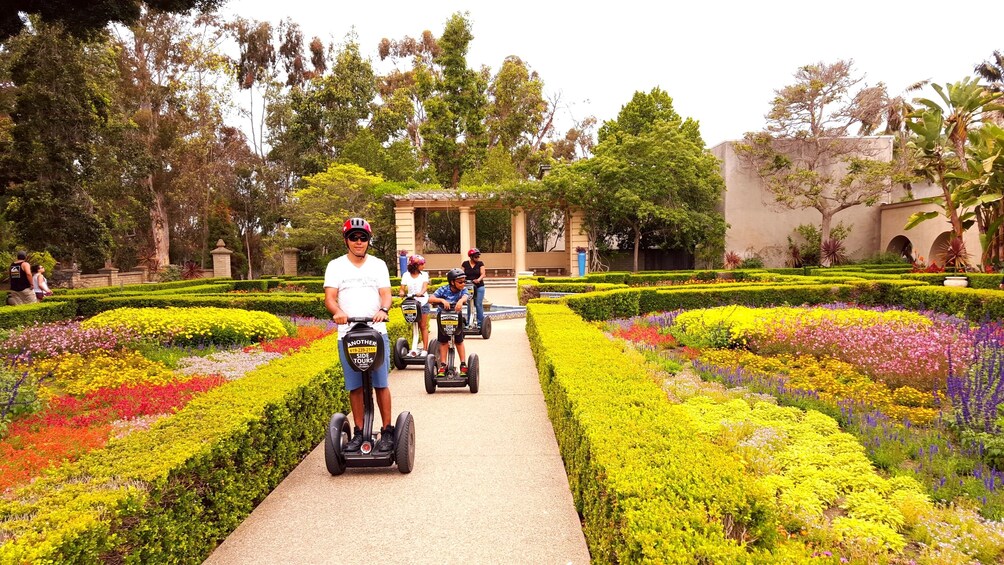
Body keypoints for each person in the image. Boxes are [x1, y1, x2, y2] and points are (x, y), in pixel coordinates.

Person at [323, 218, 396, 453]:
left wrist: (383, 310)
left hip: (376, 333)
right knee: (355, 387)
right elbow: (330, 298)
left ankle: (387, 430)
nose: (358, 242)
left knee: (380, 384)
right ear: (346, 240)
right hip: (348, 334)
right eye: (353, 237)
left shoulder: (378, 265)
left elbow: (386, 294)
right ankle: (358, 431)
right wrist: (338, 312)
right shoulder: (335, 266)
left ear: (368, 241)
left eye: (363, 238)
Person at [428, 268, 471, 378]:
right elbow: (431, 299)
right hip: (443, 318)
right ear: (452, 282)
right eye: (460, 282)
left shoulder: (463, 290)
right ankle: (443, 365)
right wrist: (442, 300)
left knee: (459, 341)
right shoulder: (443, 289)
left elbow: (466, 296)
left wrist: (461, 301)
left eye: (464, 281)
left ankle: (463, 364)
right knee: (443, 342)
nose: (463, 284)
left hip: (456, 318)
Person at [399, 254, 430, 357]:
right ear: (415, 265)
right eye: (422, 264)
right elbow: (402, 288)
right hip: (411, 303)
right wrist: (402, 292)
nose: (424, 266)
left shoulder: (424, 274)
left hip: (423, 302)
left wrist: (421, 292)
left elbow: (425, 287)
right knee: (413, 325)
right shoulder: (406, 275)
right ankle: (414, 348)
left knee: (423, 326)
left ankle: (425, 349)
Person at [462, 248, 486, 328]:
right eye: (476, 257)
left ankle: (480, 323)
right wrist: (463, 281)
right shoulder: (465, 264)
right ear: (471, 257)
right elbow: (462, 274)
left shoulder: (480, 263)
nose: (477, 258)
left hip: (479, 286)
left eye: (478, 256)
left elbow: (483, 274)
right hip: (469, 287)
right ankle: (469, 322)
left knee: (478, 304)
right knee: (470, 304)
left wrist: (478, 280)